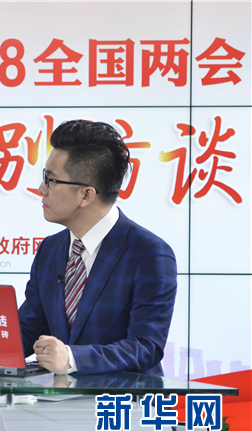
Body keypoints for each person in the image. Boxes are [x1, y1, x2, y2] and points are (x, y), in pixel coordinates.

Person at [19, 120, 177, 376]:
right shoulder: (50, 248)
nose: (41, 189)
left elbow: (145, 346)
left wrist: (72, 358)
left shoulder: (149, 253)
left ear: (86, 195)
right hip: (60, 397)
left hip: (123, 399)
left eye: (50, 179)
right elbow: (30, 326)